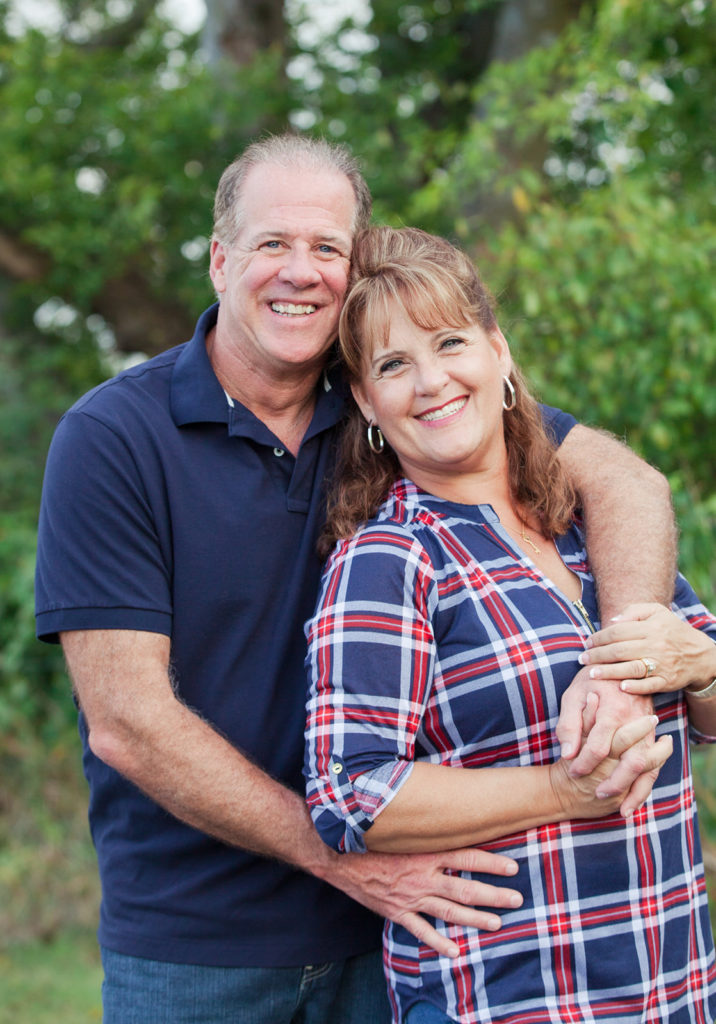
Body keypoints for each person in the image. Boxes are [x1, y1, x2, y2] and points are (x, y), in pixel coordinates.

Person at [34, 133, 701, 1023]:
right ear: (220, 259)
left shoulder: (396, 403)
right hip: (204, 944)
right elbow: (127, 724)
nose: (299, 271)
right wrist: (343, 856)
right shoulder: (115, 438)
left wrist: (632, 659)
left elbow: (623, 480)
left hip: (403, 927)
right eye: (273, 243)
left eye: (327, 248)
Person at [304, 225, 716, 1024]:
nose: (430, 381)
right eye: (393, 364)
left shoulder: (590, 528)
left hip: (670, 983)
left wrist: (701, 666)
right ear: (367, 403)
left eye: (449, 343)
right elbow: (351, 796)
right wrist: (563, 791)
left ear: (499, 356)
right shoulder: (390, 561)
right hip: (506, 992)